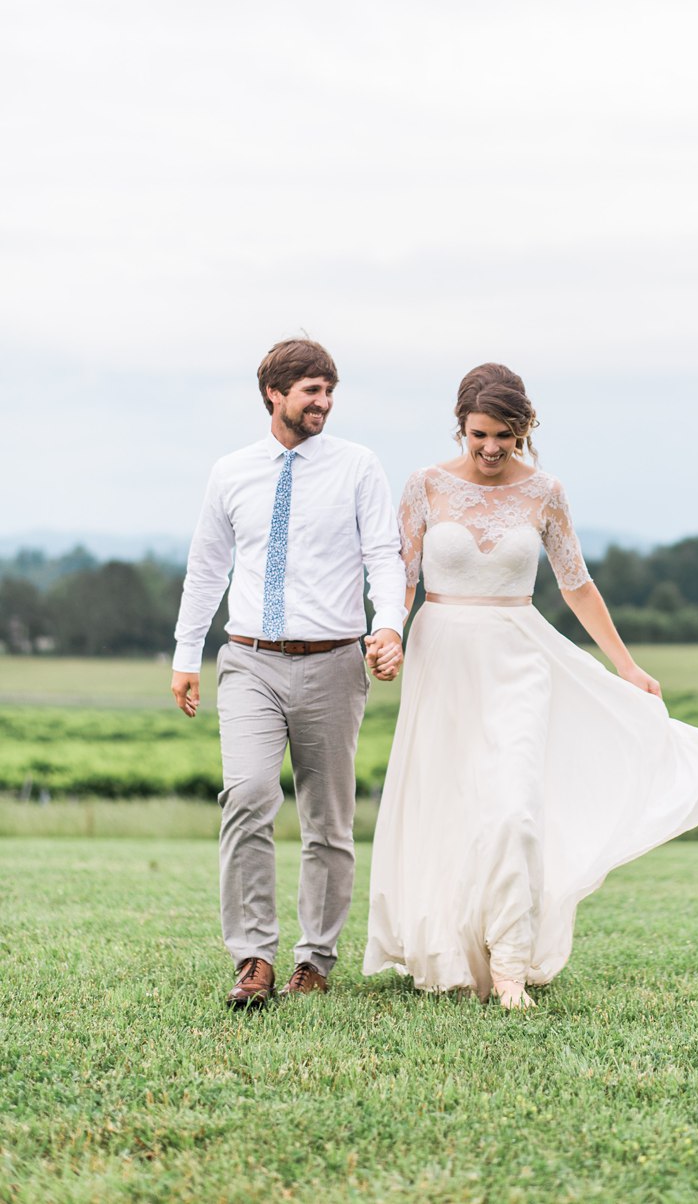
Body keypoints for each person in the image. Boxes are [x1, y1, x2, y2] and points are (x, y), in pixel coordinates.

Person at [364, 364, 698, 1008]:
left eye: (504, 436)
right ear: (461, 426)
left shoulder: (546, 493)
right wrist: (388, 631)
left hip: (518, 656)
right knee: (449, 802)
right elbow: (402, 574)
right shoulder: (423, 485)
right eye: (478, 434)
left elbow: (576, 584)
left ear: (524, 430)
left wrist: (626, 664)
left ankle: (510, 960)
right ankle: (450, 948)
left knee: (514, 806)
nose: (489, 449)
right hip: (442, 656)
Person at [171, 338, 406, 1009]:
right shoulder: (231, 472)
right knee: (246, 795)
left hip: (333, 661)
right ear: (273, 394)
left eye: (329, 391)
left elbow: (383, 557)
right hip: (248, 659)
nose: (323, 403)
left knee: (327, 820)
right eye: (310, 391)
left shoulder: (358, 467)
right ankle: (252, 956)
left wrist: (387, 624)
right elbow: (206, 570)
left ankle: (315, 958)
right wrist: (186, 656)